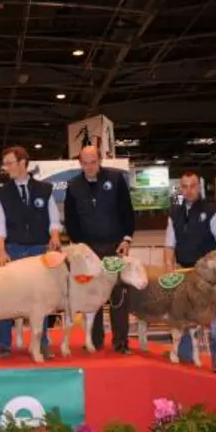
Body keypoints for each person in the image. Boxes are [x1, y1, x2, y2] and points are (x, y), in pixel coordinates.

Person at [0, 146, 62, 359]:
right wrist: (1, 251)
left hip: (39, 251)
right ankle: (3, 344)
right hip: (13, 250)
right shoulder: (2, 193)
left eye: (10, 163)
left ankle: (42, 343)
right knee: (5, 298)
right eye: (5, 163)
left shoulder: (45, 189)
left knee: (39, 301)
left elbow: (54, 220)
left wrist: (55, 237)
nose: (7, 167)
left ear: (23, 163)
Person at [164, 170, 216, 375]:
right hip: (184, 274)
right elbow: (169, 247)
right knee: (183, 319)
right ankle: (187, 359)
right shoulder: (174, 215)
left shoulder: (213, 212)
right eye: (185, 186)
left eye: (193, 185)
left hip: (207, 277)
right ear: (180, 189)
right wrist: (169, 270)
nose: (189, 190)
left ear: (200, 186)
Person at [64, 145, 135, 354]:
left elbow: (127, 212)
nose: (89, 167)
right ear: (80, 163)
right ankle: (93, 341)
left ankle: (121, 343)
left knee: (118, 294)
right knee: (91, 295)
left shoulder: (115, 180)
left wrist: (127, 239)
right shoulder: (73, 185)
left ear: (100, 160)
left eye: (93, 162)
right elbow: (71, 219)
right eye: (85, 163)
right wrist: (79, 246)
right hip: (88, 251)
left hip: (115, 247)